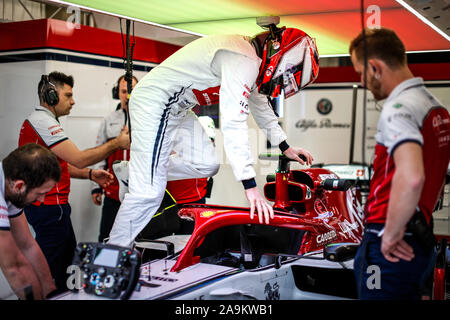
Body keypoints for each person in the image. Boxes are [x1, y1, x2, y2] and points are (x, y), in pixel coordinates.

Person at [108, 23, 319, 247]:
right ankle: (110, 256)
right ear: (282, 54)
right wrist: (250, 187)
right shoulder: (243, 58)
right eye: (290, 73)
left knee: (206, 164)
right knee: (149, 193)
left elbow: (261, 107)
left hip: (177, 106)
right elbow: (233, 121)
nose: (285, 80)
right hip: (157, 101)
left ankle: (132, 172)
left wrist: (285, 146)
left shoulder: (252, 62)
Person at [349, 28, 450, 299]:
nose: (361, 81)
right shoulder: (435, 107)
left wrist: (390, 235)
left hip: (390, 243)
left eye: (361, 72)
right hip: (419, 236)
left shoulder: (398, 109)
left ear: (375, 67)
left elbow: (413, 176)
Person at [18, 71, 130, 293]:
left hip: (53, 209)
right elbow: (78, 157)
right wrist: (117, 143)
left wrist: (89, 174)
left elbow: (59, 167)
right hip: (50, 209)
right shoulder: (42, 121)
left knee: (67, 269)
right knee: (51, 273)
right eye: (68, 95)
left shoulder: (43, 121)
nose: (73, 101)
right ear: (50, 96)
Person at [0, 143, 60, 300]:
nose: (41, 200)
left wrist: (50, 291)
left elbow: (27, 245)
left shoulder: (10, 186)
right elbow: (14, 267)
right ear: (20, 186)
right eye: (40, 193)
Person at [91, 74, 137, 242]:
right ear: (117, 93)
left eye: (131, 91)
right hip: (113, 194)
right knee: (106, 238)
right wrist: (96, 187)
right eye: (124, 91)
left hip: (138, 194)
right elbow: (99, 153)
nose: (128, 96)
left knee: (140, 240)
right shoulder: (109, 120)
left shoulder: (148, 120)